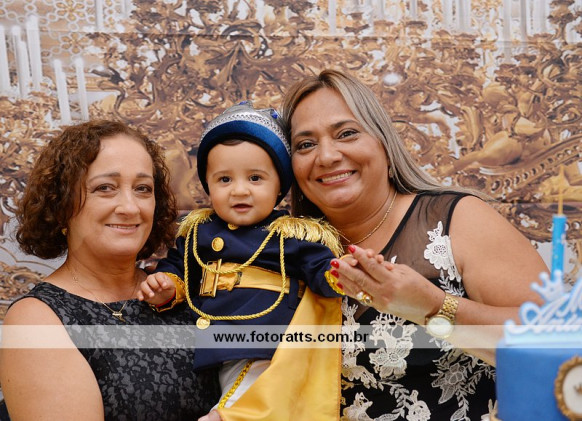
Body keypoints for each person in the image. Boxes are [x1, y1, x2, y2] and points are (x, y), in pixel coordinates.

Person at [275, 69, 548, 420]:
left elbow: (554, 344)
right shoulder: (283, 249)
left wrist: (434, 307)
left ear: (385, 145)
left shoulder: (455, 220)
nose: (326, 156)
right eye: (305, 145)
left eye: (346, 133)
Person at [0, 120, 220, 420]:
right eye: (105, 188)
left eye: (142, 189)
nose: (130, 207)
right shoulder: (35, 322)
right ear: (62, 203)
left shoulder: (180, 291)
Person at [137, 102, 343, 410]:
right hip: (216, 343)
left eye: (255, 178)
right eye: (224, 180)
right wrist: (166, 285)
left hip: (268, 340)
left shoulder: (291, 234)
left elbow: (320, 268)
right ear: (208, 187)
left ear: (279, 186)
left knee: (251, 396)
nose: (240, 190)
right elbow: (179, 267)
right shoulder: (198, 232)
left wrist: (342, 274)